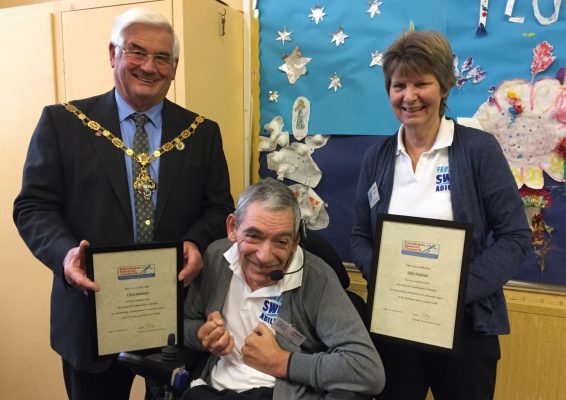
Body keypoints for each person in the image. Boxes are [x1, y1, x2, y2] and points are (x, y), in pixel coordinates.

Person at [13, 7, 234, 400]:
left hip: (174, 316)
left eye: (162, 57)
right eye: (137, 52)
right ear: (113, 55)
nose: (150, 66)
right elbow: (33, 206)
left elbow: (219, 208)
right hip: (89, 315)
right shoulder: (64, 123)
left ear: (174, 66)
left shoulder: (202, 133)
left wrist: (197, 243)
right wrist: (65, 255)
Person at [350, 31, 531, 400]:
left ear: (444, 88)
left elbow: (515, 237)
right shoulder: (377, 158)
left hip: (466, 327)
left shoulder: (478, 150)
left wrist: (453, 290)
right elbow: (359, 236)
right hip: (394, 325)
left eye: (422, 83)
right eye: (399, 85)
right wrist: (384, 278)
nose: (409, 96)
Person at [183, 178, 385, 400]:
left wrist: (282, 362)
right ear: (232, 228)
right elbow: (185, 324)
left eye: (281, 241)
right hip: (213, 389)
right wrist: (200, 335)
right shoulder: (215, 257)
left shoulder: (317, 278)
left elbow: (367, 369)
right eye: (253, 236)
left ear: (296, 240)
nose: (265, 256)